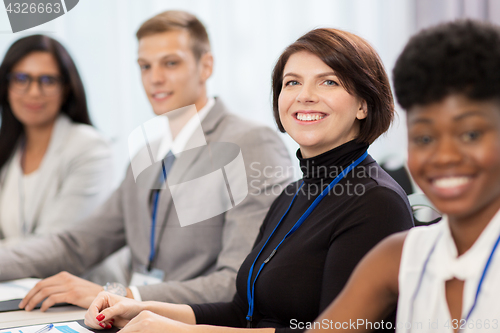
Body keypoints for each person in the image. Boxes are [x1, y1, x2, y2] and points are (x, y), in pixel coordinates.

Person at [83, 27, 414, 332]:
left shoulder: (376, 202)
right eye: (292, 82)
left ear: (363, 105)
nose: (305, 95)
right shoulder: (291, 195)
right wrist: (141, 309)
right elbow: (244, 312)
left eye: (328, 82)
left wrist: (183, 332)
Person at [0, 11, 293, 311]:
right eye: (145, 66)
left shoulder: (251, 143)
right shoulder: (146, 155)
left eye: (171, 63)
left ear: (206, 66)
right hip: (131, 319)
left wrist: (127, 296)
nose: (155, 78)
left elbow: (238, 280)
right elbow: (77, 244)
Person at [304, 20, 500, 332]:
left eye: (471, 134)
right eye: (424, 138)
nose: (445, 156)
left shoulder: (376, 202)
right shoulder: (398, 257)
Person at [0, 35, 112, 247]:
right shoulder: (8, 149)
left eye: (48, 81)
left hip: (76, 278)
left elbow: (54, 246)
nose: (33, 92)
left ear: (66, 88)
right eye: (22, 79)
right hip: (15, 278)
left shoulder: (89, 148)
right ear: (6, 86)